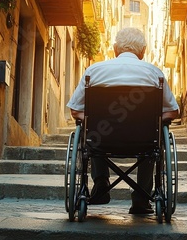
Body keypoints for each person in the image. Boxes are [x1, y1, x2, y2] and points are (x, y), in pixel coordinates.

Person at [66, 27, 179, 214]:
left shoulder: (93, 72)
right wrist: (155, 121)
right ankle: (141, 199)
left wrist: (90, 121)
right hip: (144, 141)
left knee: (91, 133)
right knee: (154, 136)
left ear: (115, 49)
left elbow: (75, 109)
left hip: (102, 139)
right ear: (142, 52)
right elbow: (173, 111)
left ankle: (101, 183)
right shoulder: (155, 74)